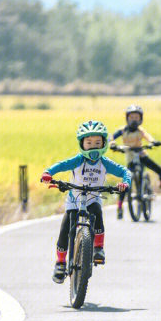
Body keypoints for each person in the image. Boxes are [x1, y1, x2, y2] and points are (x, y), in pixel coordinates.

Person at [41, 120, 130, 284]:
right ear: (82, 144)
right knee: (66, 228)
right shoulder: (78, 160)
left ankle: (98, 249)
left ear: (104, 143)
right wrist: (48, 173)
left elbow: (125, 171)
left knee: (97, 212)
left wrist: (125, 183)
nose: (93, 146)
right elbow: (62, 165)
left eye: (97, 142)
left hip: (93, 197)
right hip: (74, 200)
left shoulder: (104, 163)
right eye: (89, 143)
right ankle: (60, 263)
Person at [110, 104, 161, 218]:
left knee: (160, 170)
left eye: (136, 118)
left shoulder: (141, 131)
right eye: (131, 117)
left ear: (140, 119)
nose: (134, 120)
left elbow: (148, 137)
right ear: (127, 118)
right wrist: (113, 144)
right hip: (130, 156)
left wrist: (153, 142)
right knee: (125, 182)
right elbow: (111, 137)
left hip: (141, 154)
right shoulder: (122, 130)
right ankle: (119, 206)